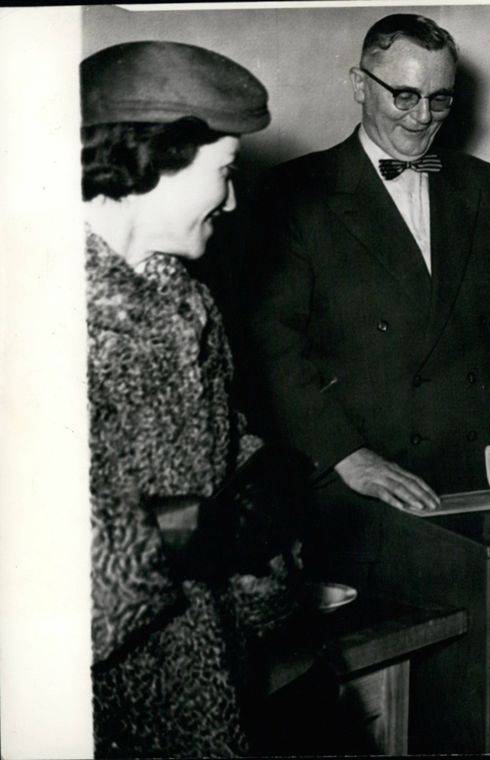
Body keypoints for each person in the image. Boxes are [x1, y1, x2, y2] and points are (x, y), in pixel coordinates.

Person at [246, 14, 490, 517]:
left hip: (479, 478)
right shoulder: (294, 192)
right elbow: (271, 350)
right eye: (405, 95)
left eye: (440, 98)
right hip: (360, 483)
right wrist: (347, 456)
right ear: (359, 85)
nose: (422, 117)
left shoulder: (487, 188)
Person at [83, 41, 296, 756]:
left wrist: (265, 502)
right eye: (224, 174)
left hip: (209, 683)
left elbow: (222, 459)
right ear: (155, 161)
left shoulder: (188, 304)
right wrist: (185, 533)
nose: (233, 200)